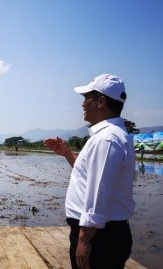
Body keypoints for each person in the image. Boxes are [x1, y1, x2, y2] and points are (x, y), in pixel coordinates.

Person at [44, 74, 135, 269]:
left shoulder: (106, 139)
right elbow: (92, 176)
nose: (83, 104)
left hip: (99, 237)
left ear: (101, 102)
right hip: (101, 234)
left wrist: (84, 240)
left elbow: (99, 192)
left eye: (87, 99)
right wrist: (68, 154)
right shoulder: (110, 135)